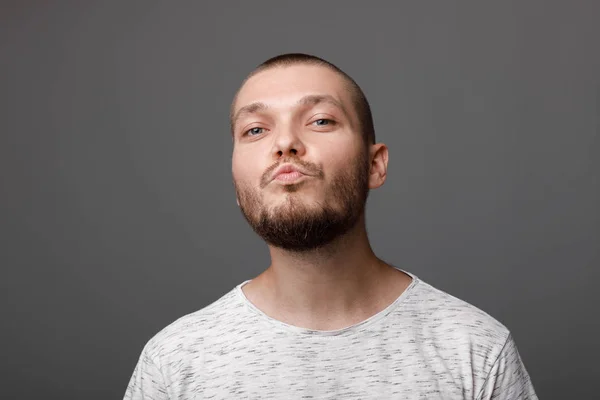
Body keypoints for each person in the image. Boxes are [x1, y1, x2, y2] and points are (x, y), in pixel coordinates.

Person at [124, 53, 538, 399]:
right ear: (237, 181)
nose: (284, 144)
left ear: (374, 165)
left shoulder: (477, 351)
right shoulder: (173, 362)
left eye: (320, 120)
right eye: (255, 130)